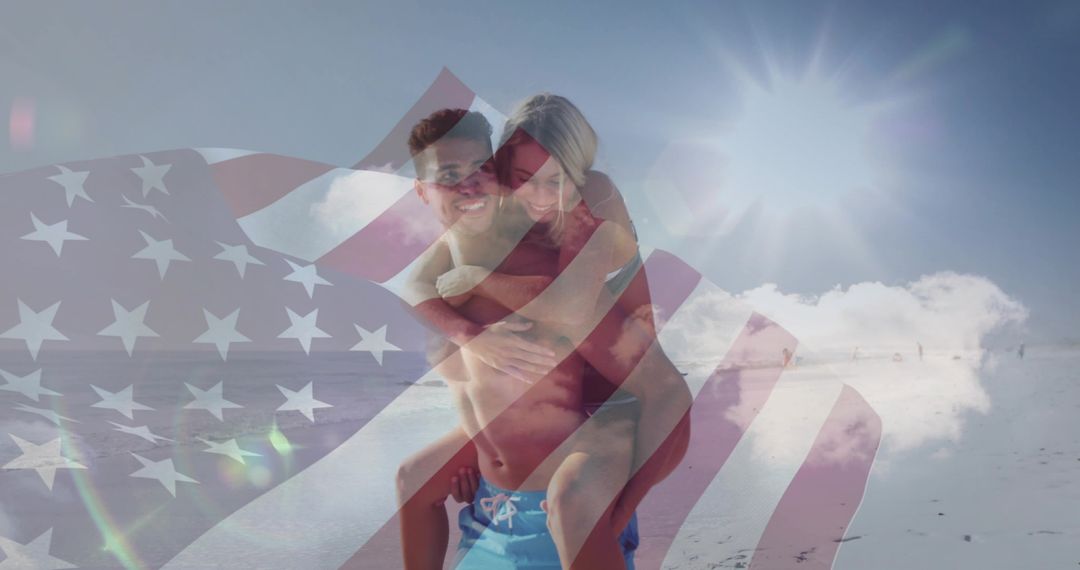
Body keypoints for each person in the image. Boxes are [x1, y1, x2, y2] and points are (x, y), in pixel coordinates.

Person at [393, 100, 690, 570]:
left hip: (613, 412)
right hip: (507, 480)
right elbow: (411, 285)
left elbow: (576, 312)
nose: (539, 194)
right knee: (412, 477)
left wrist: (618, 512)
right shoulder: (467, 245)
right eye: (523, 176)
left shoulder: (583, 218)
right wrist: (471, 336)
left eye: (479, 168)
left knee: (574, 503)